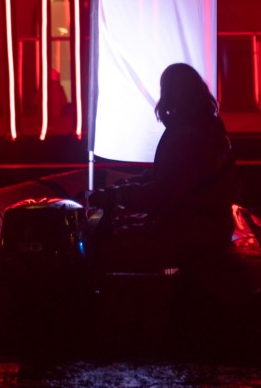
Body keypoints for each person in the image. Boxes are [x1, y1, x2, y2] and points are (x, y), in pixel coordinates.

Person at [89, 62, 237, 270]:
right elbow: (164, 175)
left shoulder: (189, 136)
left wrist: (116, 196)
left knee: (99, 247)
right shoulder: (203, 127)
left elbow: (166, 191)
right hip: (205, 225)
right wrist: (121, 188)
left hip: (193, 230)